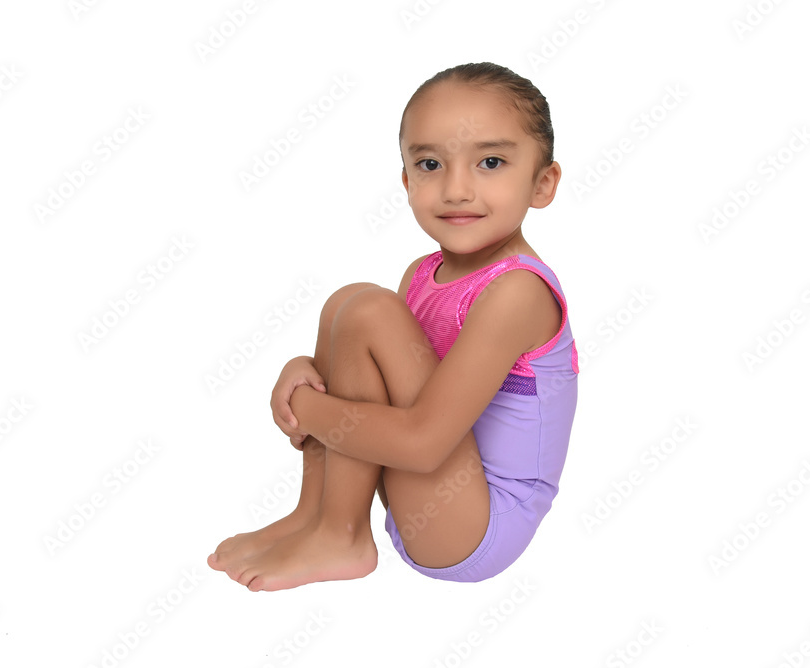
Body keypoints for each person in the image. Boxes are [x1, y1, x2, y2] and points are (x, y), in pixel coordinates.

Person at [208, 62, 579, 591]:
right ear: (407, 180)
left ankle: (342, 535)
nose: (456, 189)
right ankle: (317, 516)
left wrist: (305, 407)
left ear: (542, 183)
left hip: (480, 527)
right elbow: (373, 379)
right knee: (349, 304)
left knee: (367, 310)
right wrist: (305, 369)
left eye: (490, 162)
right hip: (425, 502)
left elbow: (422, 443)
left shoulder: (518, 291)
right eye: (430, 164)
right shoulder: (422, 274)